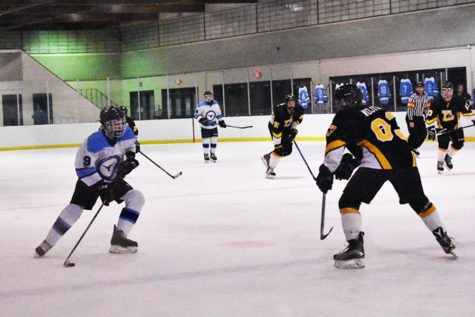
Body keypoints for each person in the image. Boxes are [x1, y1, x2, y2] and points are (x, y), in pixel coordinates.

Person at [315, 83, 455, 269]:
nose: (341, 104)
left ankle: (355, 245)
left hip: (378, 163)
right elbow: (381, 141)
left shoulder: (344, 116)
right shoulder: (380, 110)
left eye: (342, 100)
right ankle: (443, 236)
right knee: (419, 201)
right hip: (406, 159)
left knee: (348, 201)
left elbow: (334, 153)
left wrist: (327, 172)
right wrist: (353, 162)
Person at [35, 106, 145, 257]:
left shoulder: (127, 132)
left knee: (136, 197)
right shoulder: (94, 142)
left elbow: (131, 145)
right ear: (104, 125)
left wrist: (131, 157)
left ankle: (119, 238)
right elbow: (82, 169)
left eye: (121, 122)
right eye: (114, 123)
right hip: (91, 180)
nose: (119, 127)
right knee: (75, 209)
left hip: (112, 177)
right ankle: (48, 242)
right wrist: (101, 186)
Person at [426, 82, 474, 173]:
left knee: (459, 143)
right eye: (444, 90)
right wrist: (430, 128)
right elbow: (429, 118)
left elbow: (468, 112)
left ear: (452, 92)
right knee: (443, 143)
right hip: (442, 127)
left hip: (455, 126)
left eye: (448, 90)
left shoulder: (460, 100)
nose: (446, 93)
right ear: (441, 91)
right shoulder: (436, 102)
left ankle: (447, 157)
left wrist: (473, 119)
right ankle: (440, 161)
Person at [261, 94, 304, 179]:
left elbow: (296, 121)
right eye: (289, 103)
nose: (291, 105)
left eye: (293, 103)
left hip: (287, 127)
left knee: (288, 150)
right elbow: (276, 130)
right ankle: (270, 169)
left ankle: (269, 156)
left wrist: (293, 131)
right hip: (275, 127)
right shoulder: (280, 112)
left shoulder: (299, 110)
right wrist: (277, 145)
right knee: (279, 149)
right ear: (286, 104)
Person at [194, 90, 226, 163]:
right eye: (206, 96)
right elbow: (196, 114)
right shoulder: (201, 105)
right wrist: (201, 119)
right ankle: (206, 154)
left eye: (209, 96)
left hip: (214, 126)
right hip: (205, 127)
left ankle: (212, 154)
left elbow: (218, 114)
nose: (207, 98)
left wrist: (221, 121)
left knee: (214, 140)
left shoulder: (216, 104)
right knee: (206, 140)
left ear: (211, 96)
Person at [406, 82, 431, 156]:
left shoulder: (426, 96)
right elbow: (410, 109)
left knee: (423, 134)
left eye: (421, 87)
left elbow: (427, 108)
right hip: (411, 117)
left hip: (420, 117)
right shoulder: (413, 97)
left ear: (423, 88)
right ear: (416, 88)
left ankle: (413, 148)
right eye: (418, 88)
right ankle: (408, 149)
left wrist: (427, 116)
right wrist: (411, 120)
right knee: (414, 134)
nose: (420, 89)